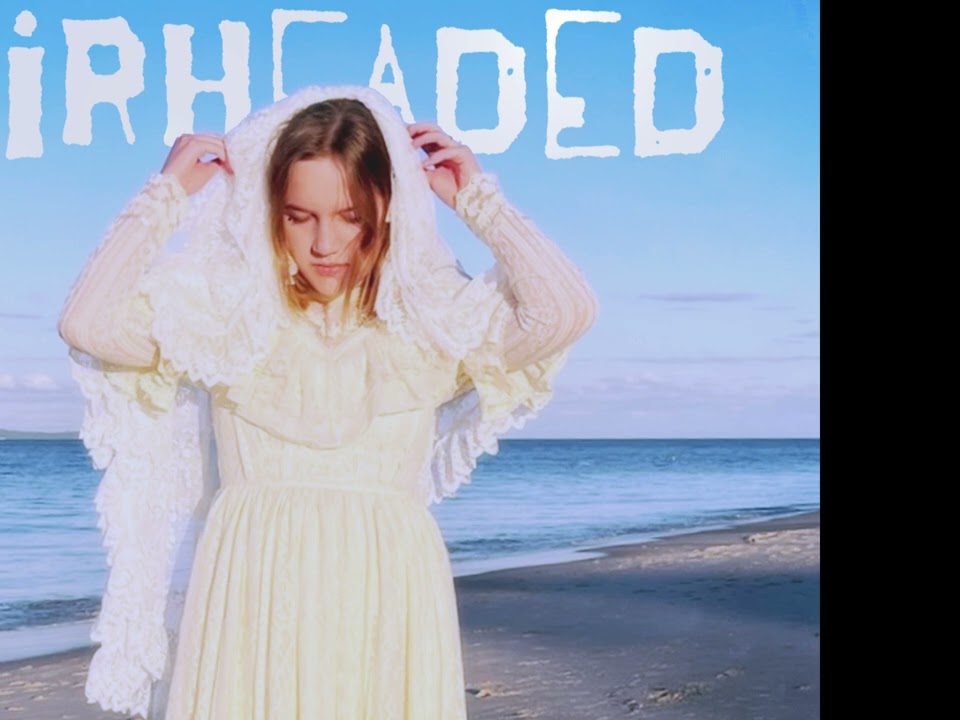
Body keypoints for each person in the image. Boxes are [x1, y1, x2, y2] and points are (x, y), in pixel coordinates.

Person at [58, 84, 598, 720]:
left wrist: (480, 201)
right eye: (299, 216)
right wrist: (164, 196)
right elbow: (88, 322)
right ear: (271, 214)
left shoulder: (430, 331)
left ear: (388, 208)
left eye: (350, 215)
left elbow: (565, 311)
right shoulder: (230, 326)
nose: (324, 244)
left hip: (387, 596)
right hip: (254, 598)